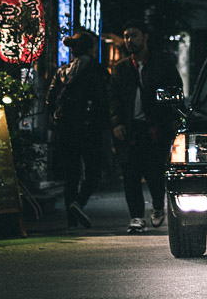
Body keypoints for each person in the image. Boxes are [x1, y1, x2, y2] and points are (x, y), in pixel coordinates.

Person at [109, 23, 177, 233]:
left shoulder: (162, 64)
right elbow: (113, 99)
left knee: (155, 173)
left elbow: (175, 90)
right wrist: (116, 122)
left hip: (155, 129)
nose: (130, 40)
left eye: (134, 36)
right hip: (131, 128)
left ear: (144, 37)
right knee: (130, 173)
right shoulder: (121, 68)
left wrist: (171, 120)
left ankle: (158, 206)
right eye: (126, 36)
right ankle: (136, 216)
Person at [48, 28, 109, 228]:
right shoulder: (96, 69)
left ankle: (71, 221)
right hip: (90, 129)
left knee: (71, 176)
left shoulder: (61, 72)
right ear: (91, 48)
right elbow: (103, 101)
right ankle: (79, 202)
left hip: (66, 130)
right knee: (94, 173)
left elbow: (49, 100)